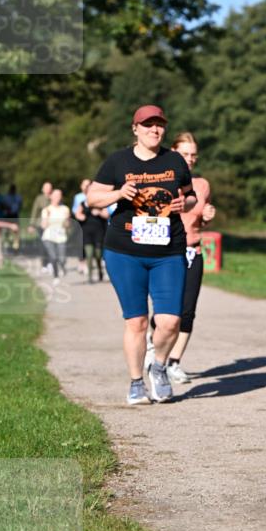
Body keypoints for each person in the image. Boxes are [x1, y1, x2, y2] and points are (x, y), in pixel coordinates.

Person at [87, 105, 196, 406]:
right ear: (135, 129)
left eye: (159, 125)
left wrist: (182, 205)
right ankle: (136, 382)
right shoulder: (117, 161)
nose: (154, 130)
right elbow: (92, 197)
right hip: (125, 251)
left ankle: (158, 366)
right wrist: (118, 194)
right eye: (147, 125)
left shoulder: (174, 161)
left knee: (170, 321)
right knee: (136, 321)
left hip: (168, 251)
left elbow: (190, 195)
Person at [148, 132, 216, 384]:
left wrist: (208, 214)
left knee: (187, 311)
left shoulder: (201, 185)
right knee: (164, 312)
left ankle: (173, 362)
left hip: (192, 249)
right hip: (165, 250)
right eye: (184, 154)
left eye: (193, 155)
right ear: (174, 153)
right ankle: (155, 354)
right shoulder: (161, 179)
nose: (189, 159)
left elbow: (201, 215)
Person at [74, 188, 108, 284]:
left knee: (98, 254)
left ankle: (100, 271)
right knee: (89, 254)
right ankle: (90, 277)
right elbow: (77, 214)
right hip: (87, 233)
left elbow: (106, 214)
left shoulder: (100, 203)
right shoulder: (83, 204)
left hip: (99, 232)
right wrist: (81, 216)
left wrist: (99, 212)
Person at [40, 189, 70, 282]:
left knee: (62, 259)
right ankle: (56, 276)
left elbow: (67, 225)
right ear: (51, 197)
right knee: (53, 256)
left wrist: (66, 219)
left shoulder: (65, 209)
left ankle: (62, 267)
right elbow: (43, 226)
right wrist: (47, 217)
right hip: (48, 236)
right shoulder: (46, 210)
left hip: (61, 236)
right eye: (55, 195)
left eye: (59, 195)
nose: (57, 197)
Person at [29, 181, 53, 272]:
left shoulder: (54, 197)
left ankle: (51, 262)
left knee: (52, 244)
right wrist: (32, 224)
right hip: (41, 225)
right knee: (43, 245)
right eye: (46, 188)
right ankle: (44, 264)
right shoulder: (39, 199)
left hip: (52, 225)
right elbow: (35, 211)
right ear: (43, 189)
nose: (48, 190)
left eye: (49, 188)